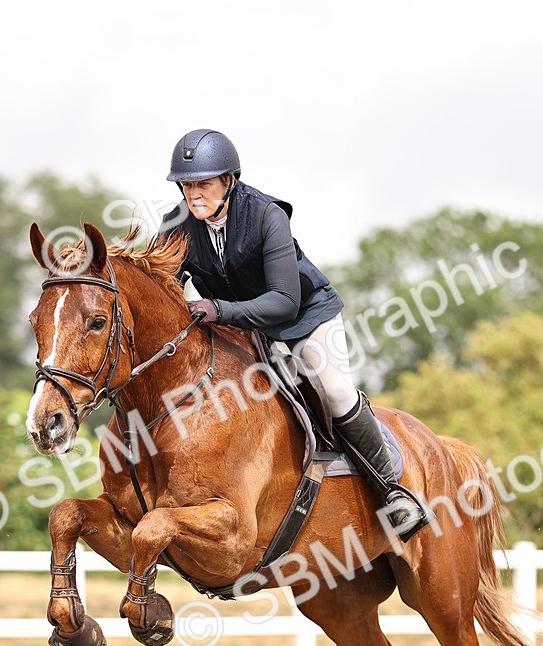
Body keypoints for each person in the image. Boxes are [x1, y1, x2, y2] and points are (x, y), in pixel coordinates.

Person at [160, 128, 429, 542]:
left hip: (302, 318)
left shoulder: (267, 215)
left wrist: (219, 309)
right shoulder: (176, 224)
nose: (194, 195)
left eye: (204, 184)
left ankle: (393, 492)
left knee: (334, 390)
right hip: (236, 328)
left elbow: (283, 300)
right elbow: (163, 291)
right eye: (188, 185)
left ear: (229, 181)